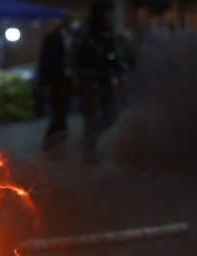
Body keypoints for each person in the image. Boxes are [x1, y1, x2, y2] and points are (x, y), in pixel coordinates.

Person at [70, 0, 132, 163]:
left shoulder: (110, 30)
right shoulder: (84, 30)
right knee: (91, 118)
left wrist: (121, 75)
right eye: (107, 11)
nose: (109, 14)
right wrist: (75, 76)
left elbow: (114, 55)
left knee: (112, 115)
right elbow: (72, 54)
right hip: (88, 79)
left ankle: (87, 143)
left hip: (107, 79)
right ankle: (88, 152)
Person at [38, 12, 77, 151]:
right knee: (59, 114)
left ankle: (57, 143)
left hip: (68, 80)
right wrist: (45, 84)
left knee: (63, 113)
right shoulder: (52, 38)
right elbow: (45, 62)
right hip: (55, 82)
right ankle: (52, 143)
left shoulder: (74, 37)